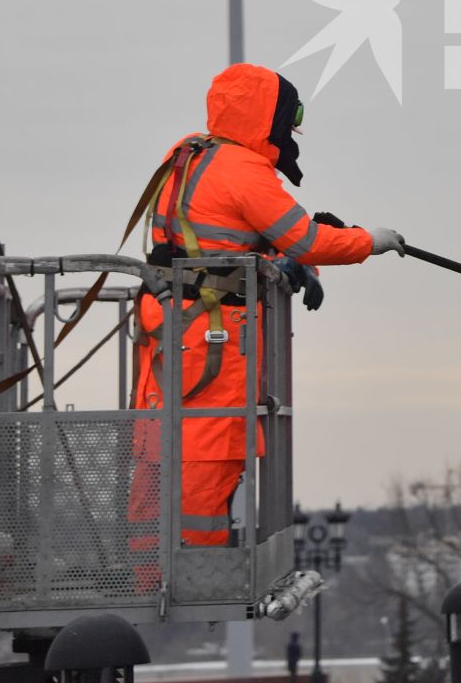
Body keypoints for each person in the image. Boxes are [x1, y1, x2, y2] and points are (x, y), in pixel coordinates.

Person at [127, 62, 404, 557]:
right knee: (207, 458)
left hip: (171, 325)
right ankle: (192, 572)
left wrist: (280, 262)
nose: (293, 132)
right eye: (288, 119)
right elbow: (307, 238)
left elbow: (213, 240)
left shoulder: (190, 153)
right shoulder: (243, 169)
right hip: (210, 337)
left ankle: (147, 565)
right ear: (266, 118)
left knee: (159, 454)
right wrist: (371, 241)